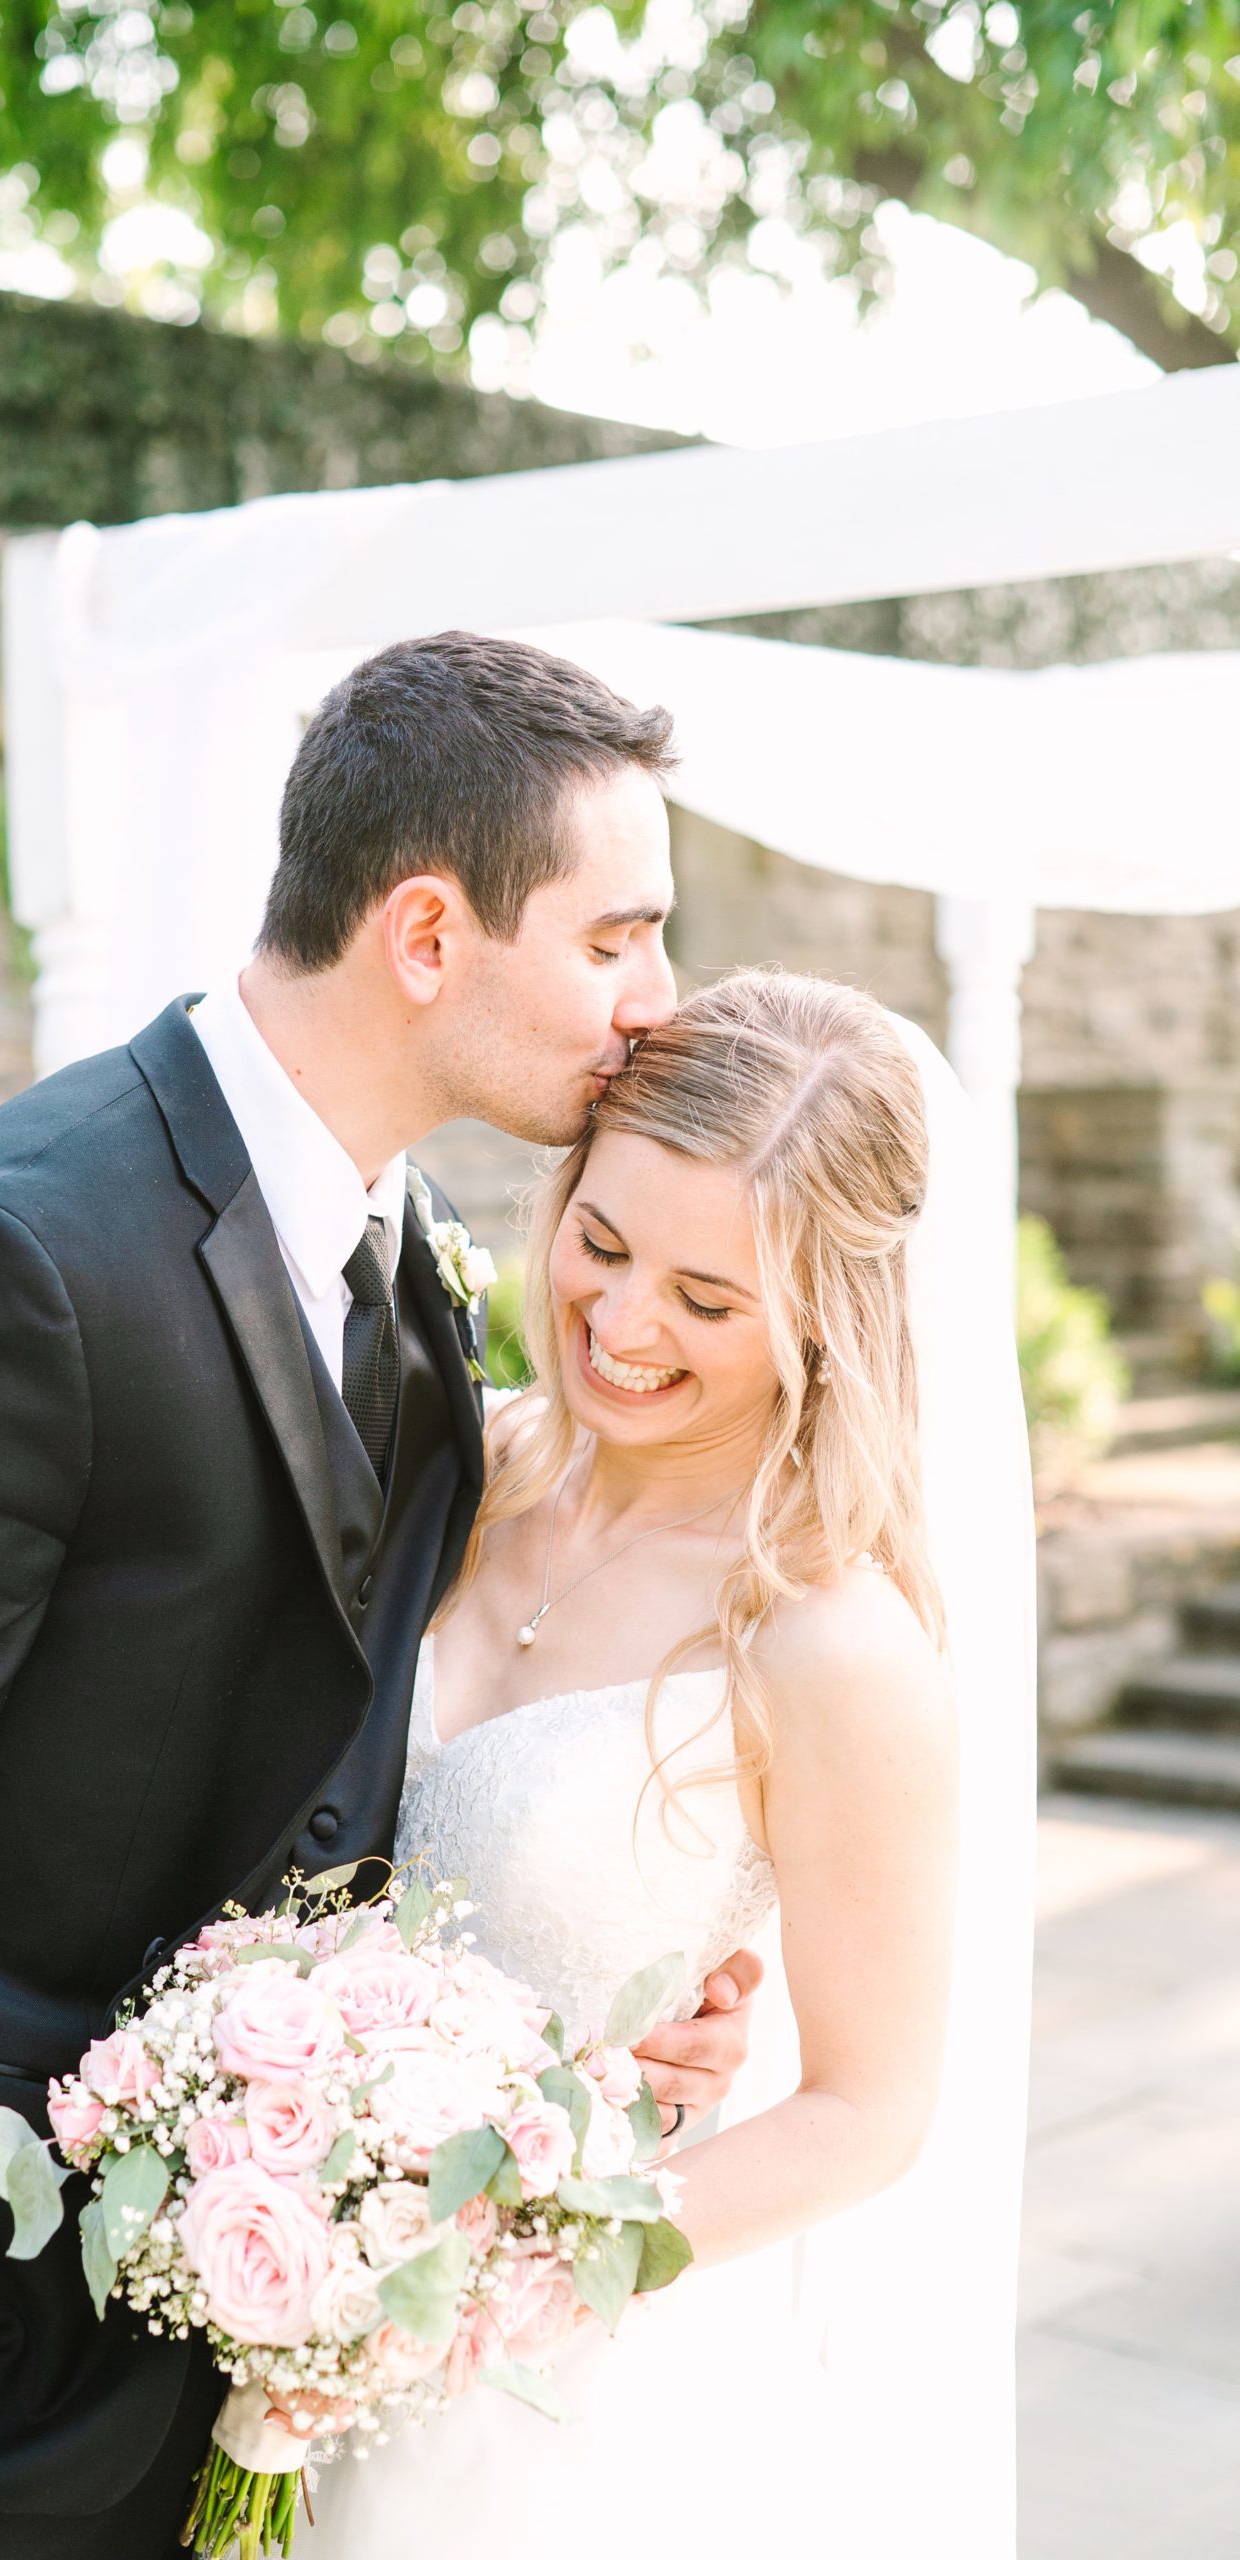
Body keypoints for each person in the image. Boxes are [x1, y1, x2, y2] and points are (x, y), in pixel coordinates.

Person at [0, 632, 766, 2558]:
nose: (655, 1003)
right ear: (424, 933)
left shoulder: (418, 1245)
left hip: (258, 2329)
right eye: (614, 938)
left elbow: (336, 1747)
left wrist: (571, 2038)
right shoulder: (14, 1260)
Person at [305, 968, 967, 2560]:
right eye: (601, 1244)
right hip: (287, 2295)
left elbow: (872, 2110)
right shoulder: (455, 1469)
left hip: (554, 2395)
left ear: (824, 1309)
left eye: (710, 1300)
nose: (622, 1323)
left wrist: (525, 2253)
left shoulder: (825, 1640)